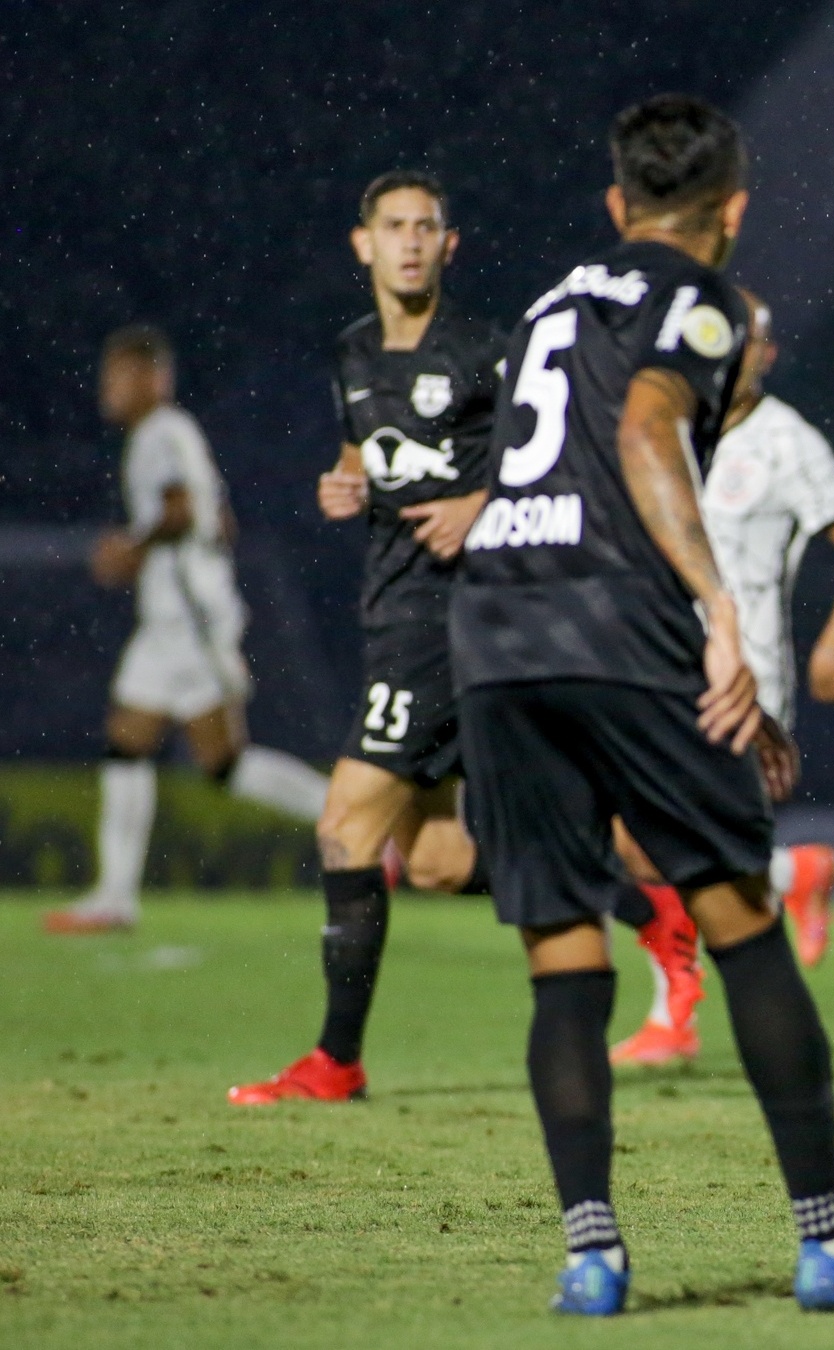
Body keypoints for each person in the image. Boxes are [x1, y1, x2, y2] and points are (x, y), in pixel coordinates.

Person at [450, 93, 834, 1315]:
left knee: (563, 960)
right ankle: (825, 1243)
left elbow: (511, 446)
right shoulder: (705, 302)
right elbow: (652, 429)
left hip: (498, 627)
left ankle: (592, 1258)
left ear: (617, 206)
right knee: (739, 921)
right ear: (734, 214)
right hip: (617, 620)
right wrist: (717, 608)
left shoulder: (554, 299)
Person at [229, 170, 503, 1105]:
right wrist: (339, 485)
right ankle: (644, 899)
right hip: (391, 606)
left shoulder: (481, 352)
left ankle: (335, 1062)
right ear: (364, 244)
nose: (412, 241)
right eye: (395, 227)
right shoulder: (352, 353)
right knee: (435, 860)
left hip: (449, 614)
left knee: (347, 821)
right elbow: (363, 458)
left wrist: (479, 501)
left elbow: (558, 465)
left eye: (428, 225)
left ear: (449, 244)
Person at [608, 287, 834, 1066]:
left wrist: (832, 649)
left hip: (744, 682)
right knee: (639, 847)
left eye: (763, 342)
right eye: (738, 337)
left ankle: (676, 1014)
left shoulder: (785, 441)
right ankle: (787, 874)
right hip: (655, 664)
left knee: (637, 843)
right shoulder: (662, 424)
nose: (751, 353)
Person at [44, 326, 329, 935]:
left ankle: (346, 816)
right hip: (174, 620)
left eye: (118, 376)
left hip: (188, 622)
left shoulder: (157, 434)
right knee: (128, 742)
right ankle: (115, 897)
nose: (107, 390)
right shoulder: (175, 434)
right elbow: (217, 520)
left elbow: (180, 512)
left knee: (222, 762)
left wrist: (132, 547)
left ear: (151, 378)